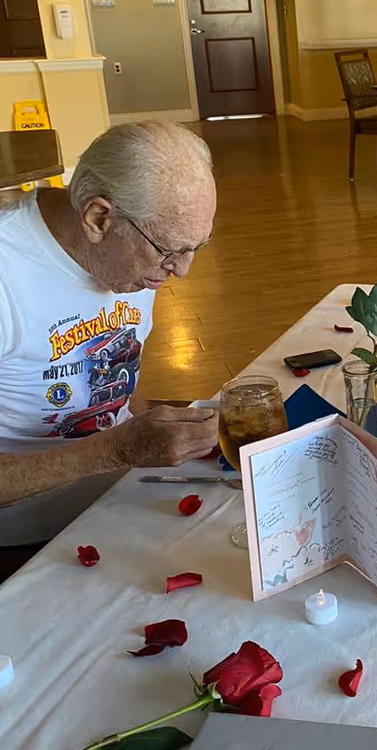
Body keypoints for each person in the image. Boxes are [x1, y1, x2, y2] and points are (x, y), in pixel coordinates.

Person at [0, 121, 220, 575]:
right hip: (29, 543)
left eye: (196, 247)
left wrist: (152, 424)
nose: (182, 271)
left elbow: (107, 378)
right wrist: (113, 451)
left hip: (124, 494)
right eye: (170, 251)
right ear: (99, 218)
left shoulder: (133, 253)